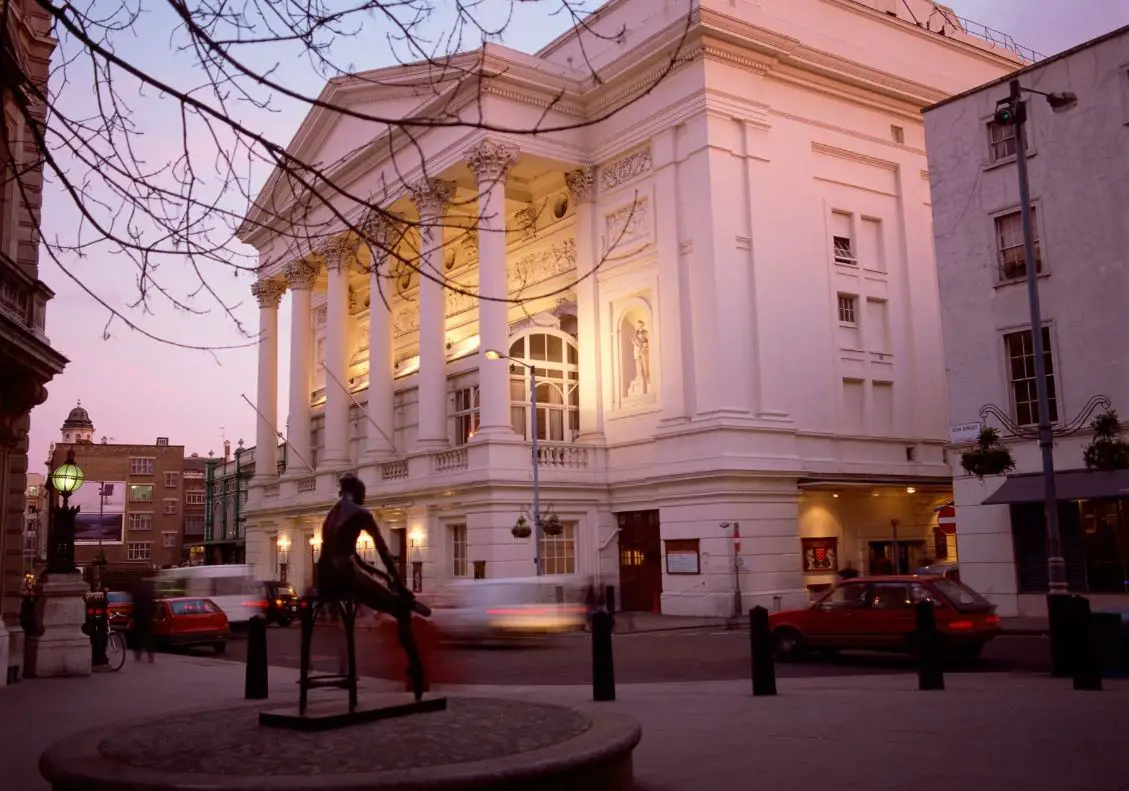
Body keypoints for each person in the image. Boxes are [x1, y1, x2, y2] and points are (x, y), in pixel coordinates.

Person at [317, 473, 432, 701]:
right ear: (358, 492)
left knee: (390, 597)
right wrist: (399, 583)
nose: (365, 499)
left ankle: (402, 604)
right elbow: (383, 550)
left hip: (324, 577)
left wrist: (383, 577)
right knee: (401, 611)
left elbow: (355, 558)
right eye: (364, 494)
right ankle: (415, 667)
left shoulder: (332, 514)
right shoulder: (361, 513)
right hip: (344, 576)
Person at [129, 577, 156, 663]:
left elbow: (135, 608)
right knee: (148, 638)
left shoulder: (137, 595)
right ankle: (150, 655)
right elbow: (153, 608)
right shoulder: (149, 596)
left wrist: (132, 618)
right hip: (148, 620)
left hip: (139, 619)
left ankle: (138, 654)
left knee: (138, 638)